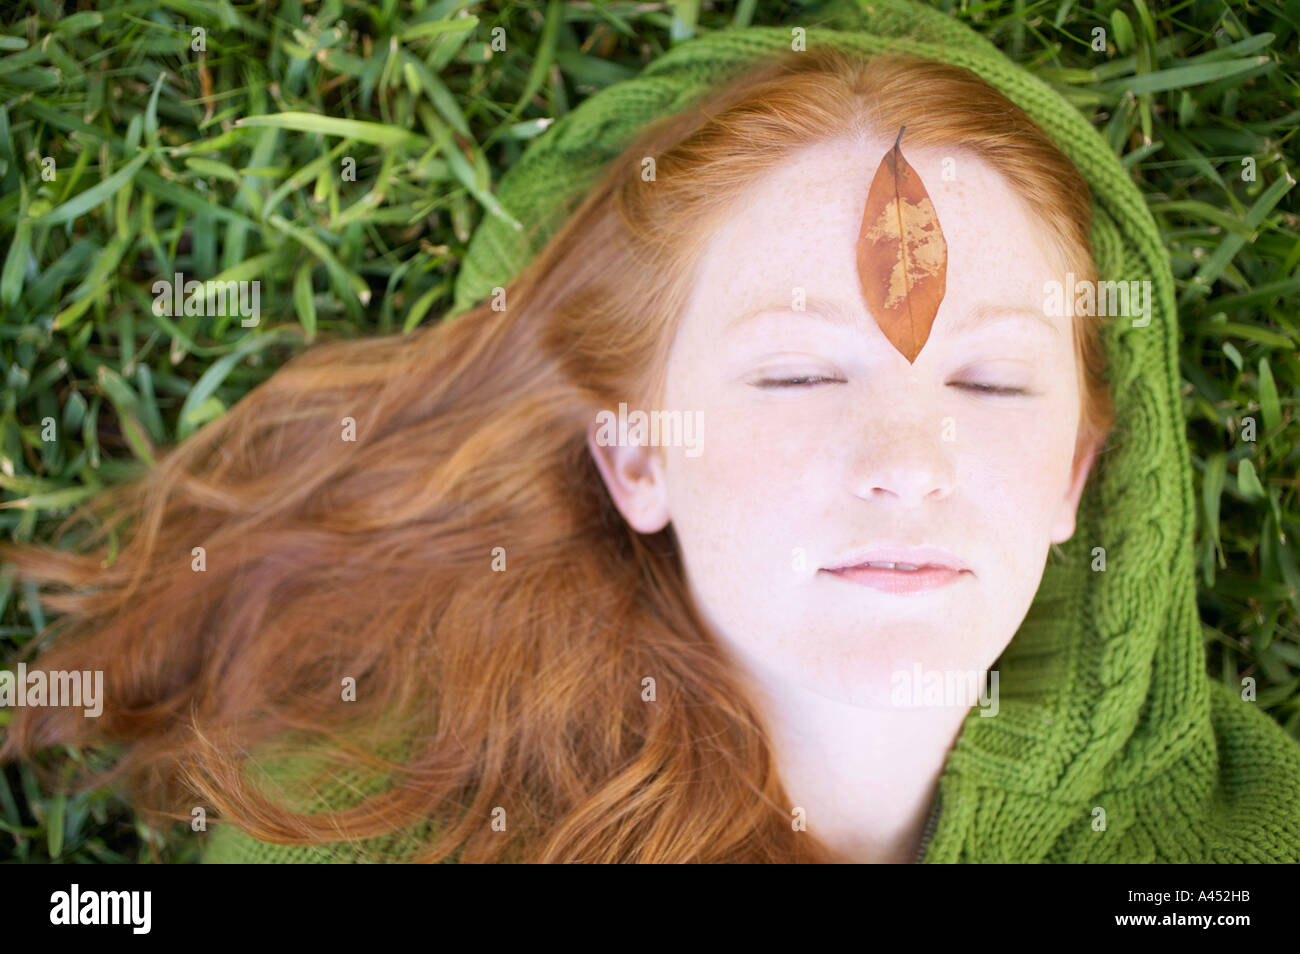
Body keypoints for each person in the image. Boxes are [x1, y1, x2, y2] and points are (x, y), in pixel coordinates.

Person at [3, 1, 1298, 864]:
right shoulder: (374, 819)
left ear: (1078, 471)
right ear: (633, 454)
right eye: (795, 374)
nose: (906, 460)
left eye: (993, 383)